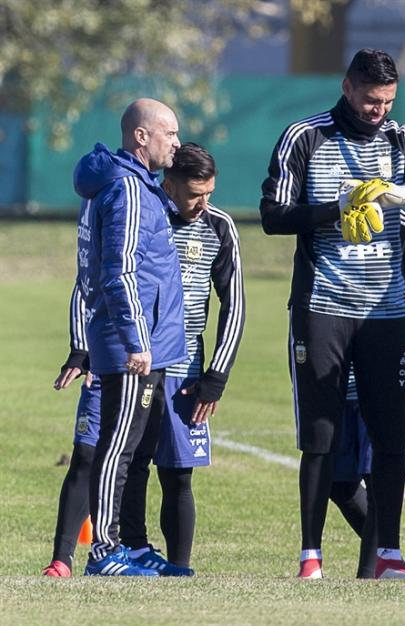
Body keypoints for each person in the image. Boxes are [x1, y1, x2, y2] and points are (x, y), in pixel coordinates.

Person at [259, 48, 405, 580]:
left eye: (388, 101)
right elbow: (273, 216)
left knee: (392, 434)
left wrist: (404, 195)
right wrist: (339, 208)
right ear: (348, 87)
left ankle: (388, 556)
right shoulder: (305, 136)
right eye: (372, 100)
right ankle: (311, 556)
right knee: (322, 433)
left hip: (386, 314)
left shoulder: (400, 140)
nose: (379, 110)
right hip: (321, 307)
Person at [45, 143, 245, 577]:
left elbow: (235, 305)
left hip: (183, 368)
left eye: (210, 193)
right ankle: (74, 557)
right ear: (168, 183)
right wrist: (84, 349)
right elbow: (93, 278)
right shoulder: (138, 208)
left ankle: (170, 566)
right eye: (195, 195)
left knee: (174, 472)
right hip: (125, 356)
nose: (203, 204)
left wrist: (216, 375)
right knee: (99, 453)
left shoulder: (219, 226)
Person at [73, 99, 187, 576]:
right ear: (142, 137)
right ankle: (103, 551)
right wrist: (137, 339)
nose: (177, 144)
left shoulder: (145, 187)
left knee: (140, 451)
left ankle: (134, 547)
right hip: (131, 347)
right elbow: (118, 271)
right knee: (117, 447)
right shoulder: (126, 190)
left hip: (152, 343)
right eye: (171, 134)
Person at [329, 213, 405, 579]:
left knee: (380, 479)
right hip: (341, 377)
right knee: (338, 481)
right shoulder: (334, 223)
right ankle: (386, 555)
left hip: (393, 376)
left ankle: (370, 573)